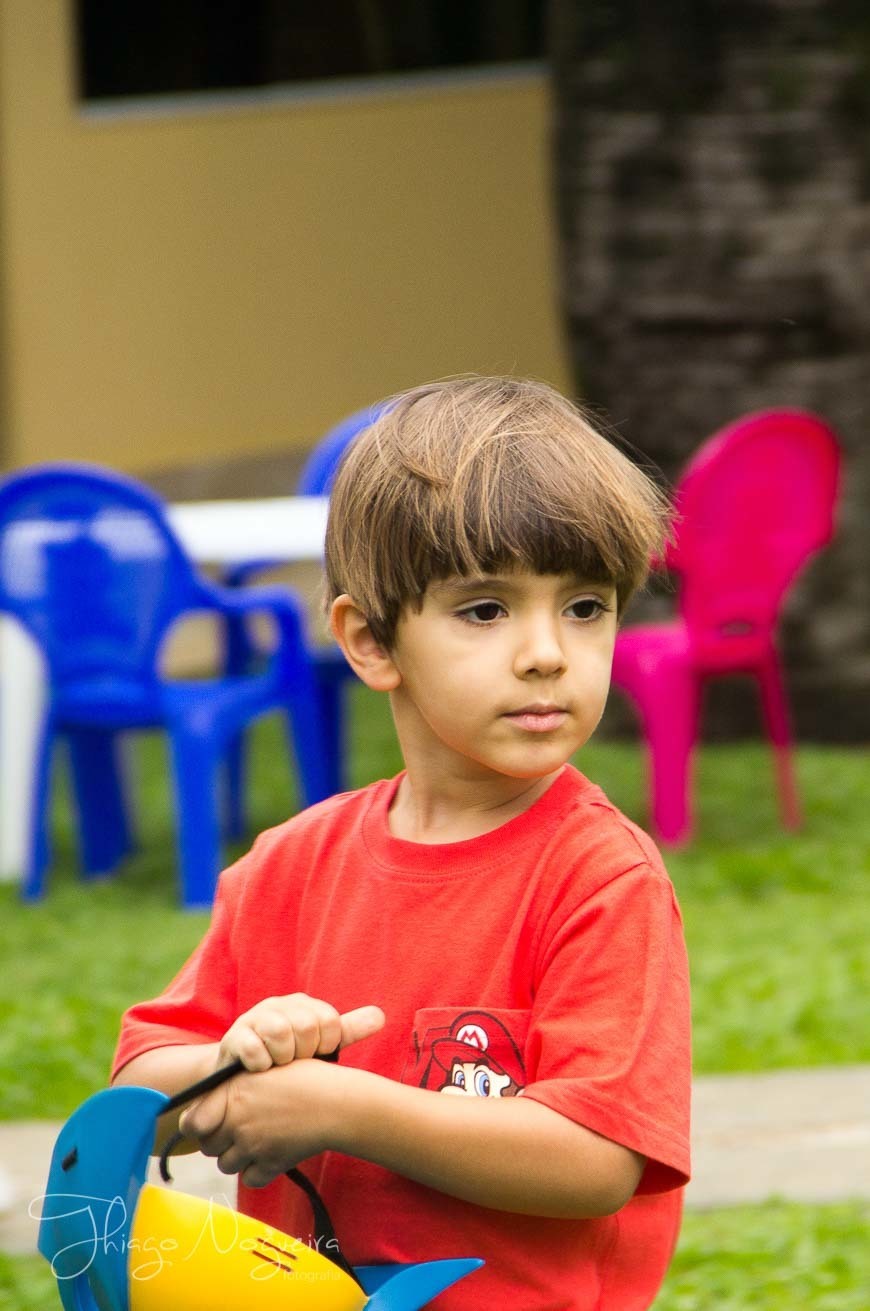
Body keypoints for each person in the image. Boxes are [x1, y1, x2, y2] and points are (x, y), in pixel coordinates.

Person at [112, 376, 691, 1310]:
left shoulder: (599, 876)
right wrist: (239, 1058)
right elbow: (140, 1088)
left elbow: (596, 1159)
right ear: (371, 640)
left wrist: (340, 1107)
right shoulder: (291, 864)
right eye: (485, 609)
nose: (548, 651)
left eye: (585, 606)